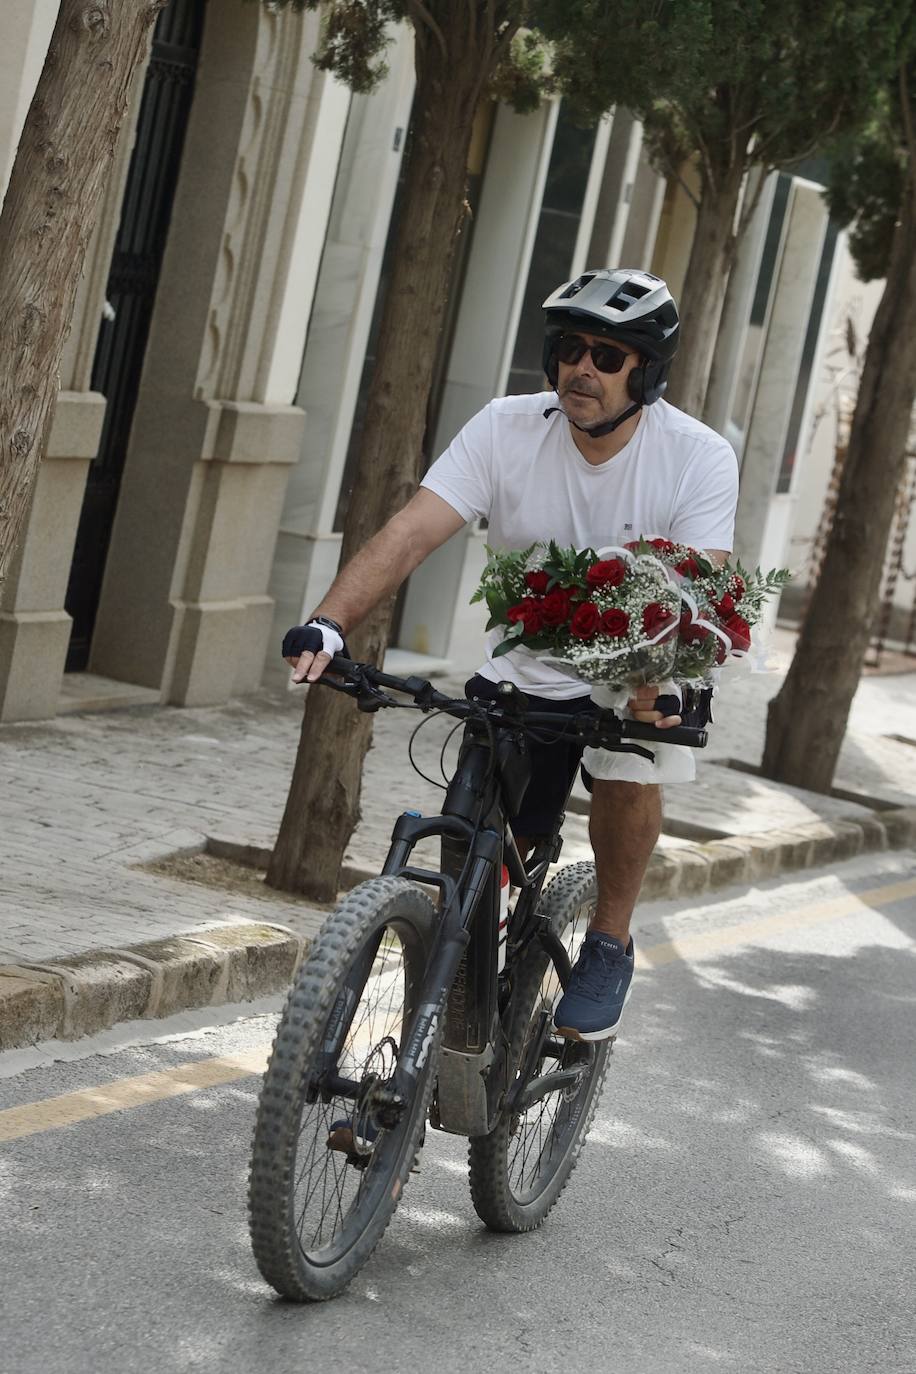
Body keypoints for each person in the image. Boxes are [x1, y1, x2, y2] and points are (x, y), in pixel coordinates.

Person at [283, 267, 739, 1043]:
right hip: (525, 664)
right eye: (569, 348)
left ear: (647, 372)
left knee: (631, 764)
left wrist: (654, 685)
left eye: (606, 354)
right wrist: (328, 623)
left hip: (637, 664)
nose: (580, 368)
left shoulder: (695, 456)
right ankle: (459, 961)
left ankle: (607, 942)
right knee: (482, 833)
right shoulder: (505, 426)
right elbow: (410, 533)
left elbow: (698, 591)